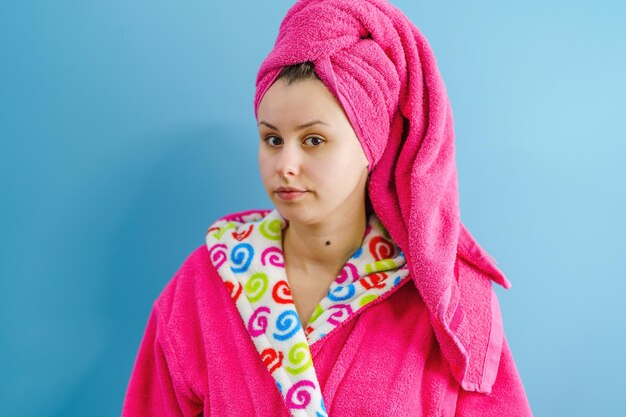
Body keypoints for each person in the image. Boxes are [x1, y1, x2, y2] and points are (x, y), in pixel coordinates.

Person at [122, 1, 533, 416]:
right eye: (272, 139)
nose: (285, 165)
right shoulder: (203, 284)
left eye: (314, 140)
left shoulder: (446, 305)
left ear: (370, 146)